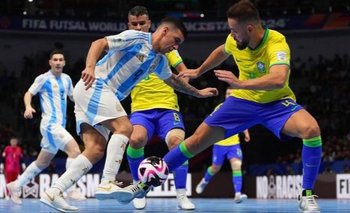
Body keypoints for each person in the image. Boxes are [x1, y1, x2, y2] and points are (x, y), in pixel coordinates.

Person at [117, 1, 322, 213]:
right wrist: (198, 71)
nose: (231, 35)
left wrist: (240, 83)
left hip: (276, 103)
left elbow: (279, 78)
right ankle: (143, 185)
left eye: (234, 30)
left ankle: (306, 194)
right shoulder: (235, 40)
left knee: (311, 130)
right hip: (243, 103)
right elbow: (222, 51)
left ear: (249, 28)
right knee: (195, 141)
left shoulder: (277, 43)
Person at [39, 17, 218, 212]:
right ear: (164, 31)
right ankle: (107, 181)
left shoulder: (159, 60)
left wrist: (198, 93)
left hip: (95, 96)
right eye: (175, 41)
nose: (175, 47)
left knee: (96, 149)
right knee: (125, 128)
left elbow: (174, 82)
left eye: (179, 45)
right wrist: (89, 67)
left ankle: (54, 192)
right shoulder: (137, 38)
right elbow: (99, 43)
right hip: (96, 86)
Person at [94, 6, 195, 210]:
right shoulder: (128, 41)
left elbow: (184, 74)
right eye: (134, 24)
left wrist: (193, 82)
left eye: (142, 23)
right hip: (141, 108)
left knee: (177, 141)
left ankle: (182, 194)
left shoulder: (167, 48)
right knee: (135, 139)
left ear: (151, 24)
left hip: (167, 106)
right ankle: (138, 189)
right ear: (129, 26)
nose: (139, 27)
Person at [6, 50, 86, 205]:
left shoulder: (67, 79)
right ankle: (70, 188)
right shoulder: (43, 79)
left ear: (64, 63)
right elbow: (28, 93)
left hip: (59, 125)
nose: (57, 62)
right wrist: (28, 107)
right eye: (54, 59)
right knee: (75, 151)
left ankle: (16, 185)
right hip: (50, 125)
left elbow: (72, 97)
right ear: (50, 62)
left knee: (42, 162)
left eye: (60, 60)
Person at [195, 88, 250, 203]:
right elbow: (211, 122)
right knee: (215, 168)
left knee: (236, 165)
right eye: (227, 93)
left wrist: (246, 132)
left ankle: (238, 194)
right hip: (219, 144)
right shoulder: (219, 107)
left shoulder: (239, 108)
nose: (229, 95)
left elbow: (243, 122)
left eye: (231, 94)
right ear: (225, 95)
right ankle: (205, 180)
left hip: (234, 144)